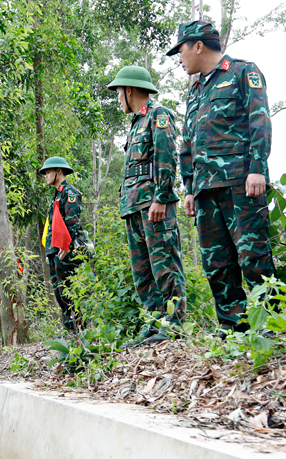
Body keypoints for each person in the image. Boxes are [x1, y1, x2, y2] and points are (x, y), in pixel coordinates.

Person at [169, 20, 276, 334]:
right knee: (216, 264)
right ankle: (232, 327)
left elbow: (260, 120)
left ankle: (270, 324)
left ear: (198, 45)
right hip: (205, 190)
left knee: (253, 256)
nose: (179, 58)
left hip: (240, 183)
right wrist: (189, 187)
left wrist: (257, 167)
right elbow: (187, 143)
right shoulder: (197, 91)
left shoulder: (243, 72)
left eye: (181, 50)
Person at [107, 66, 187, 346]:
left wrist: (160, 198)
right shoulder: (135, 123)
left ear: (129, 90)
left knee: (165, 266)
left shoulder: (158, 116)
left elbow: (167, 159)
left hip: (154, 206)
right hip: (133, 208)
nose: (118, 98)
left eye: (119, 92)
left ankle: (174, 324)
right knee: (142, 272)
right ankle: (154, 325)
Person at [39, 156, 83, 333]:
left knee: (70, 290)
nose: (45, 175)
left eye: (48, 171)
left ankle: (80, 328)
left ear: (59, 171)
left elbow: (72, 222)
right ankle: (70, 330)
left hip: (66, 250)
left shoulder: (70, 193)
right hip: (55, 251)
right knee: (59, 292)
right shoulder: (56, 195)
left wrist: (67, 246)